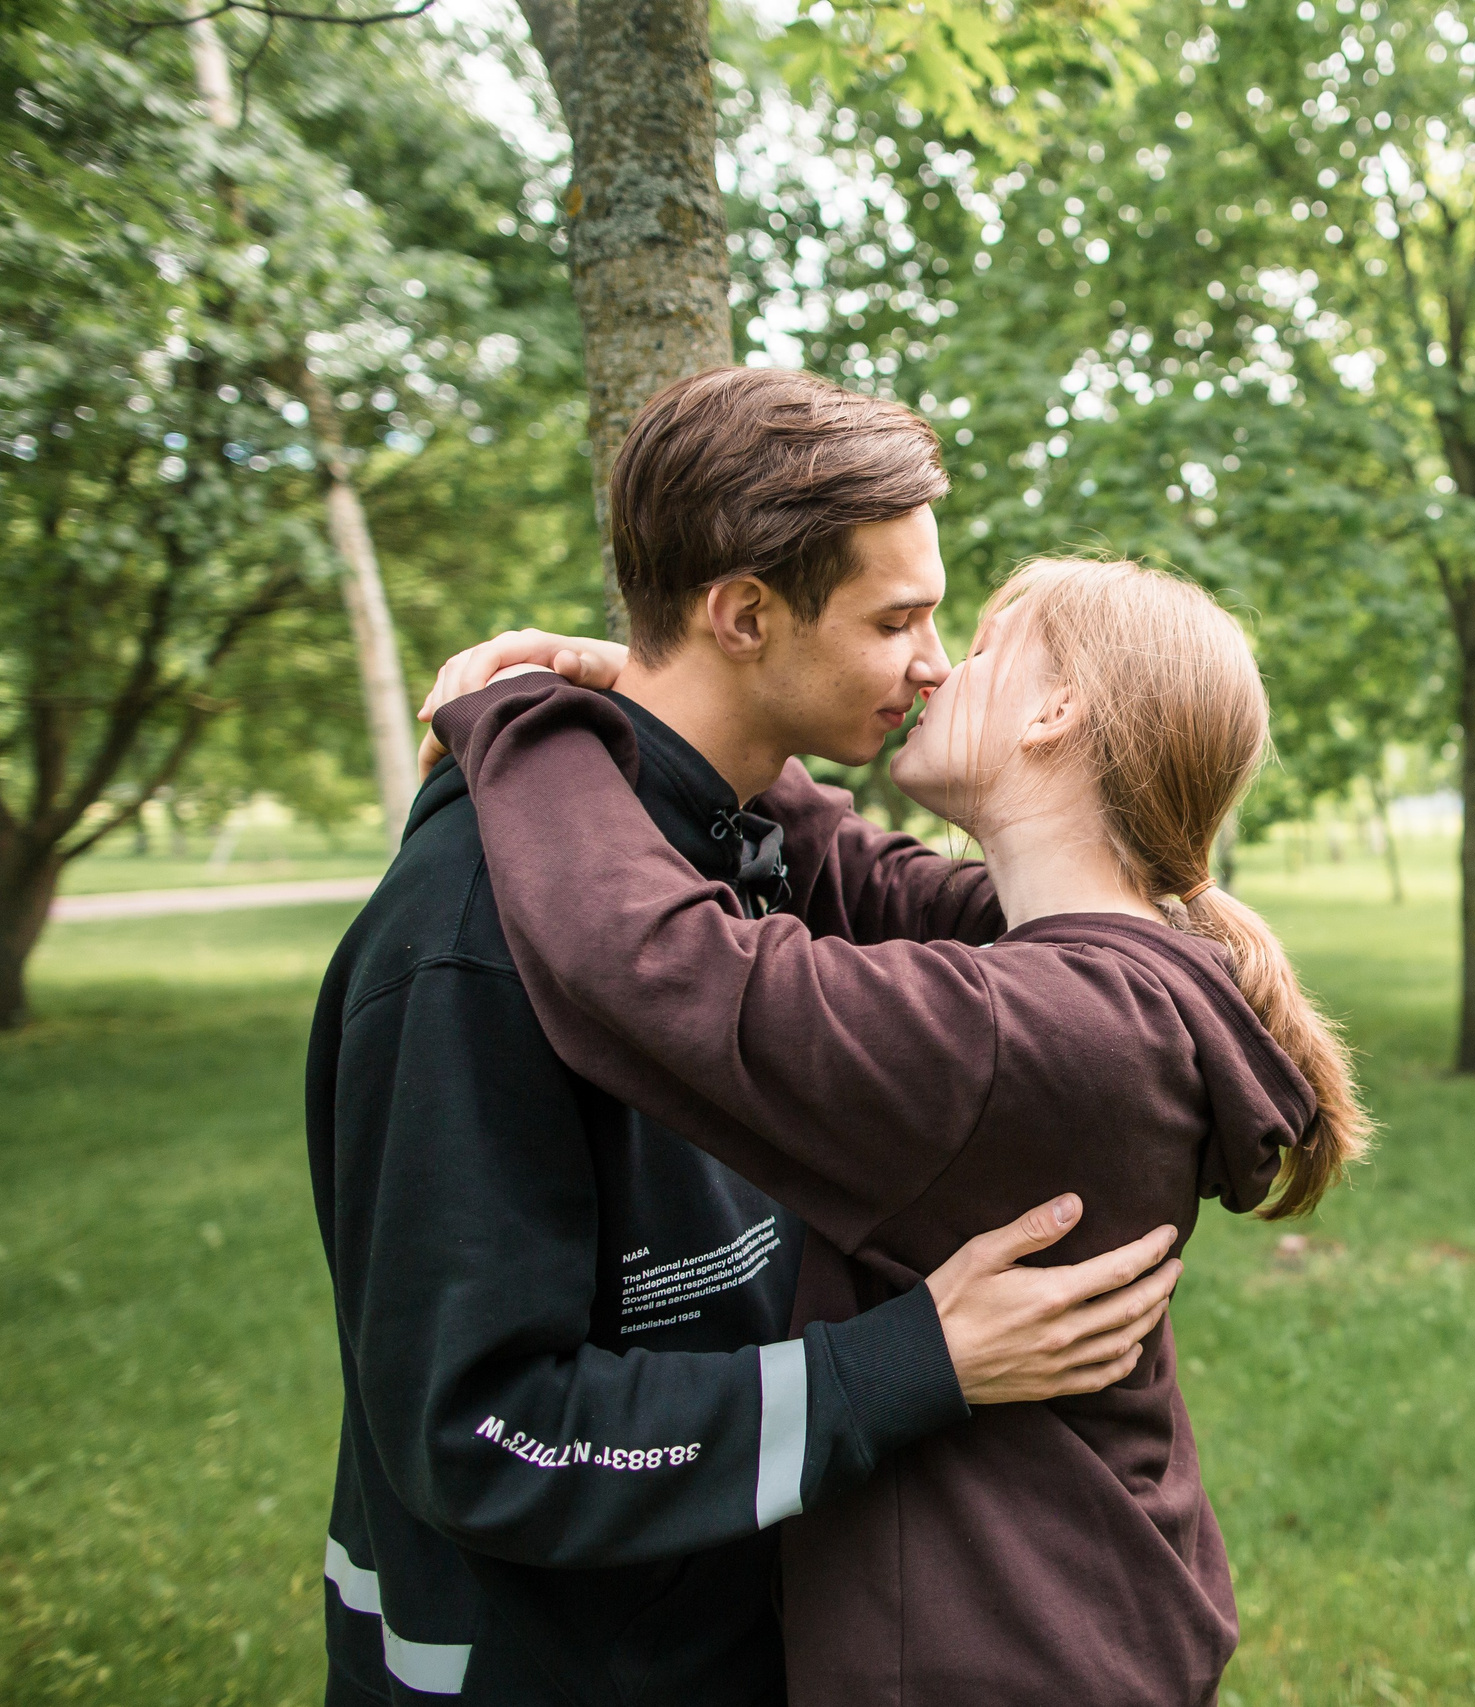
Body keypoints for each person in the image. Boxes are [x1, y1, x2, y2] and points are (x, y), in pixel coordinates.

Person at [307, 369, 1182, 1705]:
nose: (935, 661)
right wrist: (910, 1366)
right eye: (899, 618)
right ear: (743, 615)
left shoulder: (754, 852)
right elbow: (480, 1430)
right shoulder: (471, 938)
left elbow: (1031, 922)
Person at [424, 554, 1372, 1705]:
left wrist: (523, 722)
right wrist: (662, 691)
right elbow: (854, 870)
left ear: (1057, 709)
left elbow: (654, 963)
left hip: (1005, 1654)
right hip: (1086, 1610)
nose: (932, 670)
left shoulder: (1042, 1028)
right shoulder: (1109, 964)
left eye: (975, 651)